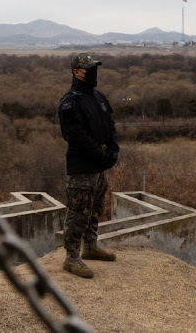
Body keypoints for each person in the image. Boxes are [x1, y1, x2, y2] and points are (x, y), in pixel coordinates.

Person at [58, 52, 119, 278]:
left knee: (96, 206)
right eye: (89, 69)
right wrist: (101, 156)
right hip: (82, 167)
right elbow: (76, 137)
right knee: (78, 211)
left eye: (95, 68)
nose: (94, 73)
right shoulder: (70, 102)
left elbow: (110, 126)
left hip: (99, 165)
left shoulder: (98, 97)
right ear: (76, 72)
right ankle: (72, 256)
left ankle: (91, 245)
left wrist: (113, 150)